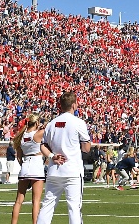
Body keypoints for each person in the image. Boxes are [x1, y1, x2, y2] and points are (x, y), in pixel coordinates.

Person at [37, 91, 91, 224]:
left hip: (54, 170)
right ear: (74, 105)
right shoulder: (78, 122)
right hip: (72, 170)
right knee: (74, 208)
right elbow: (86, 148)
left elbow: (42, 146)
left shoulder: (51, 124)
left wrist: (52, 156)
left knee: (47, 207)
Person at [11, 115, 46, 224]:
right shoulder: (38, 134)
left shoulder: (21, 136)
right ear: (36, 123)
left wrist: (23, 165)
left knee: (18, 201)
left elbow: (19, 156)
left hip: (25, 166)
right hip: (36, 165)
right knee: (36, 201)